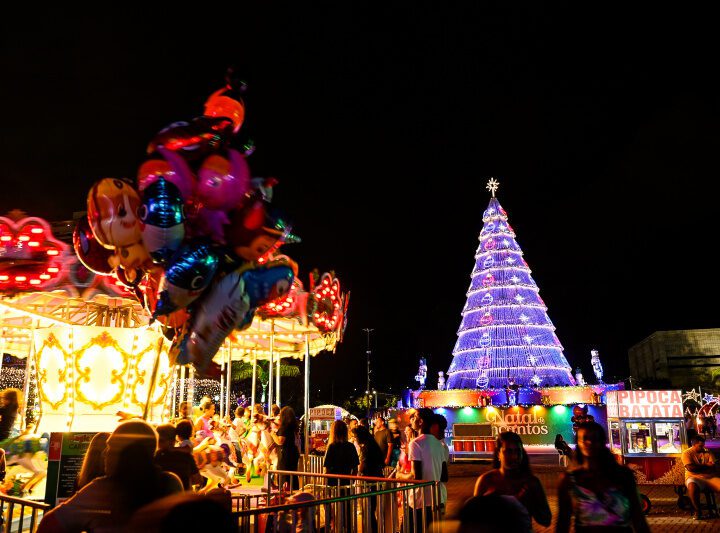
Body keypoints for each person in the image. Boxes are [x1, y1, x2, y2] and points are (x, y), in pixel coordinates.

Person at [37, 420, 183, 533]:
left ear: (127, 454)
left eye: (111, 447)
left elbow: (49, 525)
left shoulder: (102, 490)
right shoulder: (171, 483)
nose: (105, 453)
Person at [557, 421, 650, 532]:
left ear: (602, 442)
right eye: (585, 438)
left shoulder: (623, 475)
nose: (590, 442)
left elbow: (638, 517)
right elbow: (563, 522)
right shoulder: (569, 480)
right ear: (578, 443)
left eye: (595, 438)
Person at [474, 431, 550, 528]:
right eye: (508, 451)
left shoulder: (531, 482)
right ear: (498, 454)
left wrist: (531, 502)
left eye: (518, 451)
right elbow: (473, 521)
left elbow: (546, 521)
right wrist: (489, 502)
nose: (514, 457)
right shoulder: (485, 481)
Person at [398, 407, 448, 529]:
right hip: (436, 498)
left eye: (414, 417)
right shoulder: (440, 445)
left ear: (421, 422)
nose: (412, 420)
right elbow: (443, 476)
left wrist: (400, 475)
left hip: (419, 500)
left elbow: (416, 476)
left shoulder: (415, 443)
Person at [682, 434, 720, 519]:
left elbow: (713, 468)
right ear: (693, 445)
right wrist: (706, 465)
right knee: (692, 487)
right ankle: (697, 511)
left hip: (709, 477)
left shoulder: (707, 452)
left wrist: (699, 468)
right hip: (693, 477)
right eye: (700, 446)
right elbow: (691, 468)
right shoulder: (687, 453)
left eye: (703, 445)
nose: (703, 447)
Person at [154, 424, 202, 491]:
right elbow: (198, 479)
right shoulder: (186, 456)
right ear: (173, 440)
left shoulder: (153, 458)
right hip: (182, 497)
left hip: (160, 499)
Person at [270, 406, 300, 490]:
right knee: (292, 476)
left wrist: (272, 434)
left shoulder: (284, 428)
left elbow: (280, 441)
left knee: (284, 476)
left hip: (285, 456)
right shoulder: (293, 427)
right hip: (293, 454)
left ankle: (285, 495)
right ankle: (294, 492)